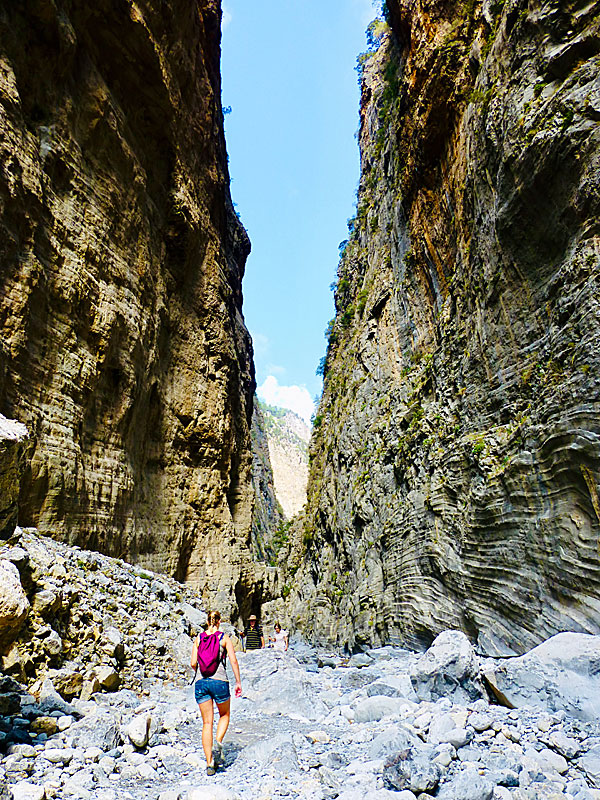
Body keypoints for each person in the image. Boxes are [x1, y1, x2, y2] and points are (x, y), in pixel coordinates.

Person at [191, 610, 242, 776]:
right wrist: (238, 682)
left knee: (207, 723)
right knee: (225, 714)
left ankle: (209, 763)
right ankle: (218, 742)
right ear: (219, 622)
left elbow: (193, 663)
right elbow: (233, 660)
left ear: (207, 622)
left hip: (201, 682)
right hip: (220, 681)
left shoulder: (198, 638)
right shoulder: (224, 637)